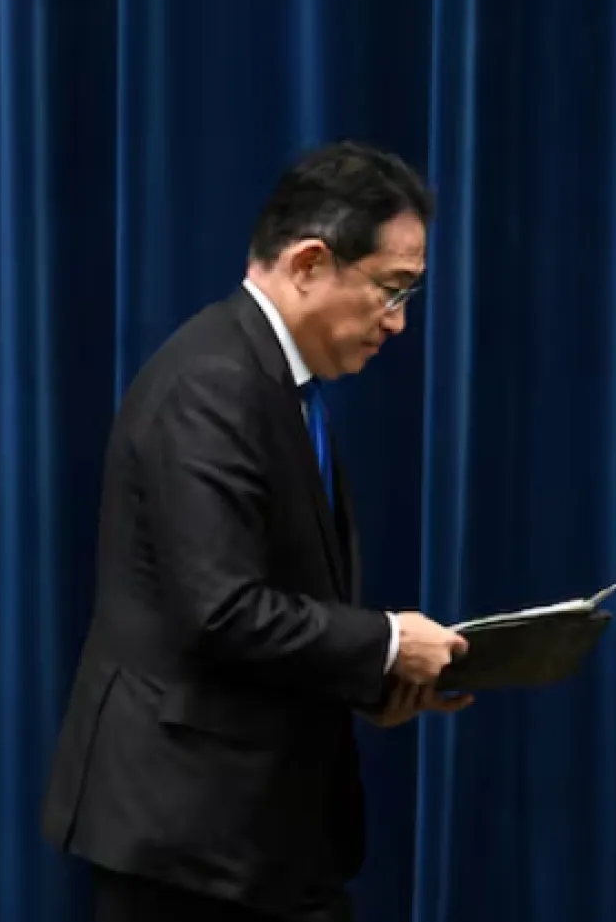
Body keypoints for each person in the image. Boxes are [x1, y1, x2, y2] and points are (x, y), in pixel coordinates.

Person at [41, 141, 472, 922]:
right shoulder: (214, 383)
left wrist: (374, 680)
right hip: (191, 843)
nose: (399, 321)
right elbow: (222, 610)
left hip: (260, 835)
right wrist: (385, 642)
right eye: (391, 289)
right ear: (309, 263)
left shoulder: (270, 380)